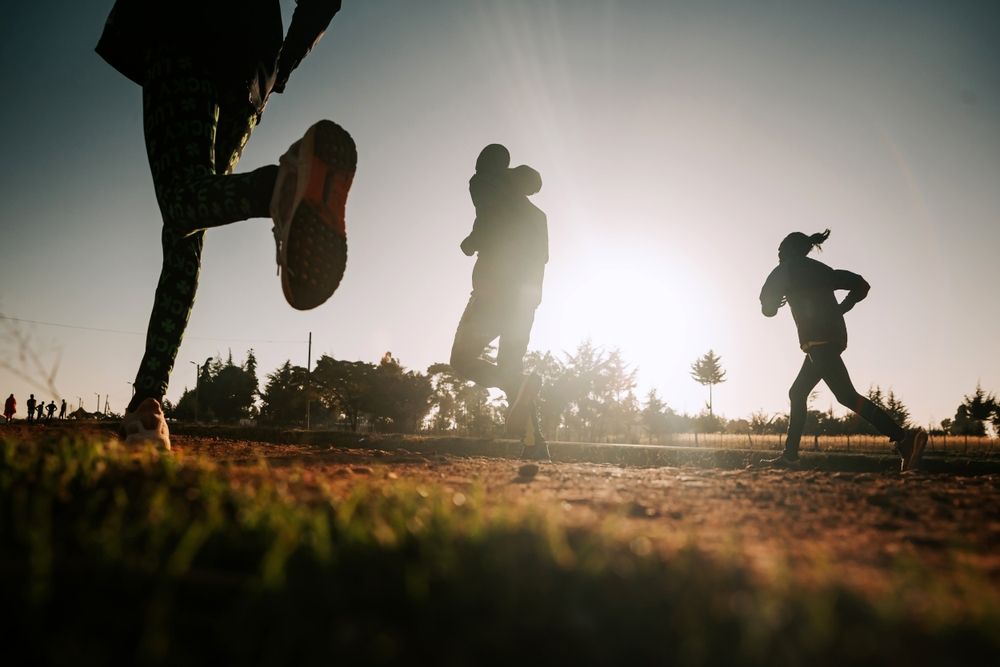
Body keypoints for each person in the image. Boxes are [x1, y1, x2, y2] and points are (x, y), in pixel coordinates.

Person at [95, 0, 356, 450]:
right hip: (249, 76)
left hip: (180, 29)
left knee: (181, 207)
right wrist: (277, 70)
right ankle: (147, 403)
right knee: (187, 226)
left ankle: (278, 188)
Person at [759, 229, 927, 471]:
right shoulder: (823, 270)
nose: (778, 254)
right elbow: (862, 285)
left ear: (787, 250)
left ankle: (904, 438)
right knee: (797, 393)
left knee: (846, 395)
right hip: (833, 339)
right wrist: (841, 308)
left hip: (817, 341)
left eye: (780, 250)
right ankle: (790, 455)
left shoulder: (783, 270)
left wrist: (774, 302)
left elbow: (768, 310)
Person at [451, 146, 550, 460]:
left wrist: (471, 242)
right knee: (512, 367)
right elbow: (541, 261)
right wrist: (530, 304)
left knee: (462, 360)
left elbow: (489, 219)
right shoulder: (538, 216)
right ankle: (535, 445)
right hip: (524, 303)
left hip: (491, 296)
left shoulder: (487, 186)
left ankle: (513, 384)